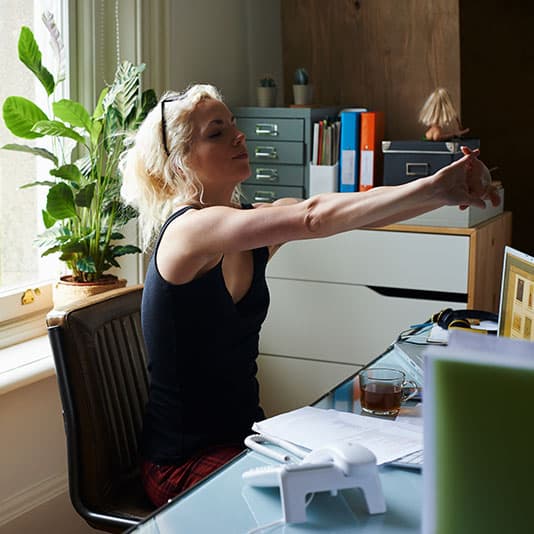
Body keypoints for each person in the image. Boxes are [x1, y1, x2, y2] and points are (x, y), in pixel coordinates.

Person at [120, 84, 500, 507]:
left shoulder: (249, 225)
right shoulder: (189, 232)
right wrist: (435, 188)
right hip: (183, 464)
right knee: (338, 509)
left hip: (248, 441)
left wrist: (447, 191)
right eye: (217, 132)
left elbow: (353, 207)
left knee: (367, 489)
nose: (239, 136)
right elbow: (313, 217)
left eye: (234, 125)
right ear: (181, 162)